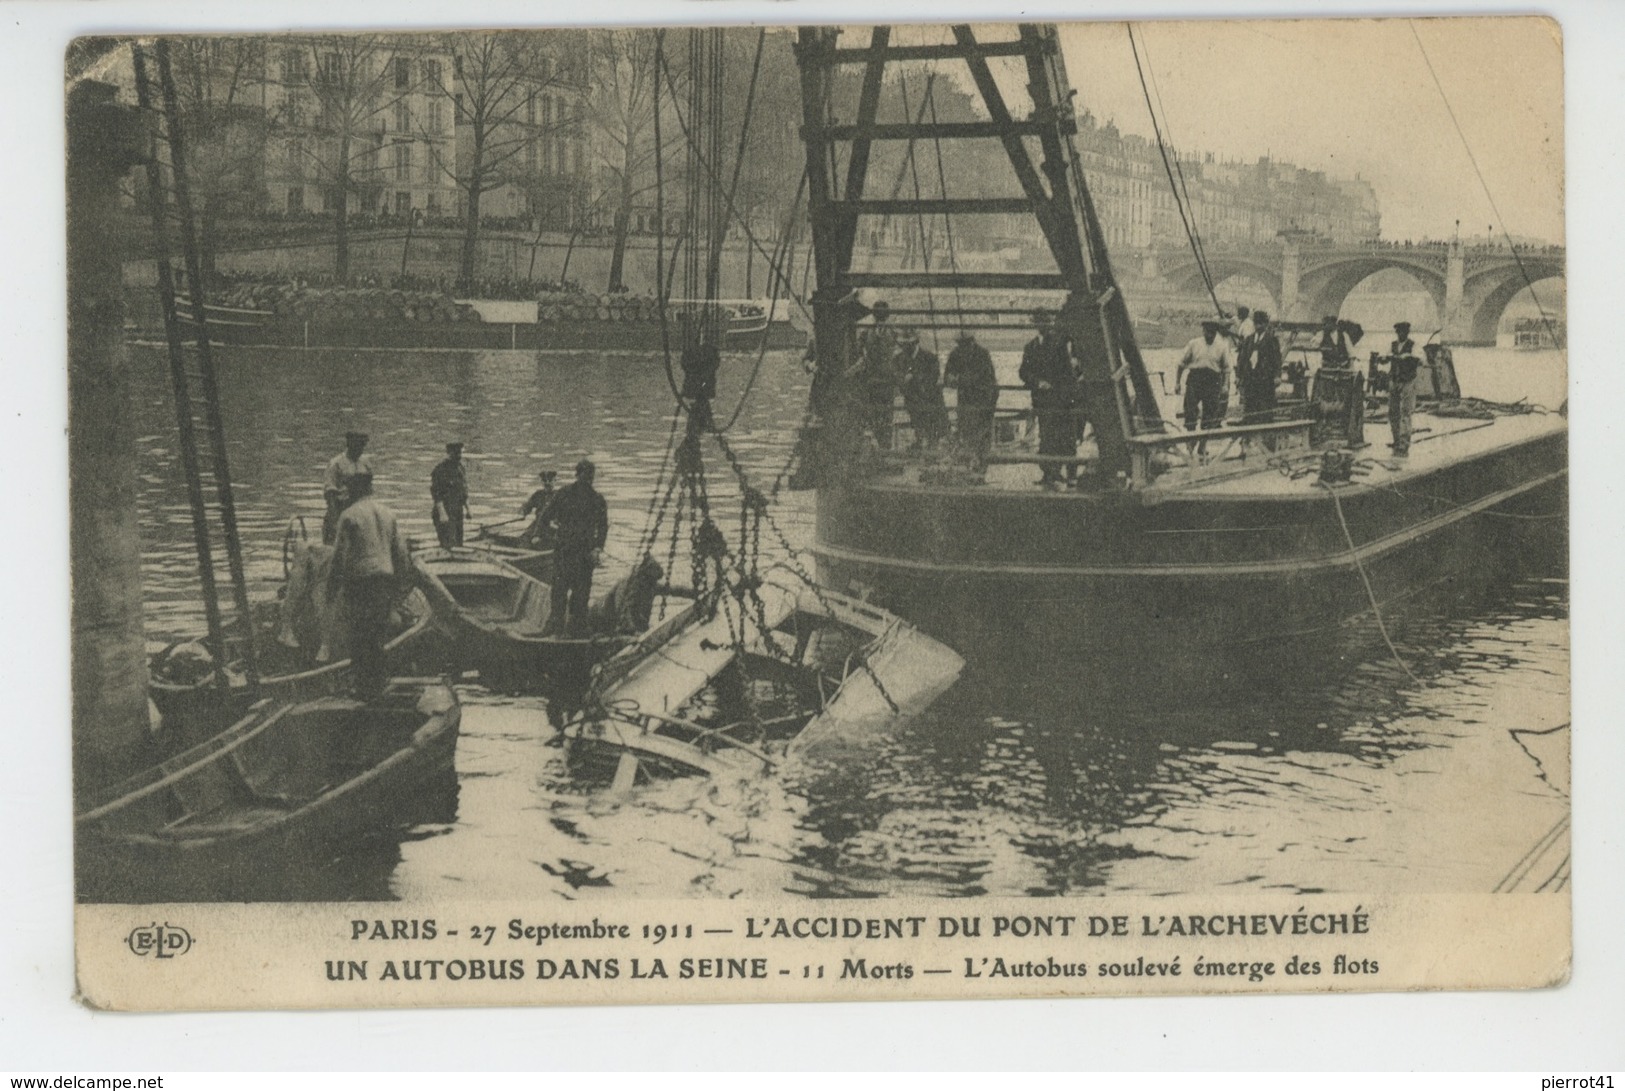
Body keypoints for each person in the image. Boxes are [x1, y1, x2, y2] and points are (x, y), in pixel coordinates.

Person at [327, 472, 410, 698]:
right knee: (377, 635)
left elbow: (339, 557)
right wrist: (400, 588)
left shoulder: (349, 515)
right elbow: (401, 554)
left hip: (361, 582)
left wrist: (331, 589)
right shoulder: (388, 513)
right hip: (385, 580)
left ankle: (364, 689)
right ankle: (379, 685)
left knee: (359, 636)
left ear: (353, 490)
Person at [537, 458, 609, 636]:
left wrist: (598, 548)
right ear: (578, 475)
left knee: (580, 594)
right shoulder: (567, 495)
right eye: (586, 475)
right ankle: (558, 628)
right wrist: (553, 532)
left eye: (590, 476)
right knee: (561, 592)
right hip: (567, 552)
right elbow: (544, 519)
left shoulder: (596, 499)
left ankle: (572, 629)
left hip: (581, 555)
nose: (588, 479)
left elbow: (603, 527)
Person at [1018, 310, 1079, 488]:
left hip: (1060, 400)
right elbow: (1023, 372)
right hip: (1043, 401)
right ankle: (1050, 473)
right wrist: (1037, 382)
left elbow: (1067, 373)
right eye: (1039, 322)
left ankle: (1069, 474)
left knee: (1066, 438)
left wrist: (1062, 391)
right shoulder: (1031, 347)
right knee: (1046, 437)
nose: (1042, 326)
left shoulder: (1058, 345)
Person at [1175, 320, 1235, 457]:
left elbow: (1226, 369)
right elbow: (1181, 364)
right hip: (1195, 379)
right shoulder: (1194, 344)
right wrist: (1177, 383)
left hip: (1213, 381)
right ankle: (1191, 442)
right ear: (1203, 331)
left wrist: (1225, 385)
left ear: (1216, 333)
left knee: (1210, 414)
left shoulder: (1222, 346)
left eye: (1213, 333)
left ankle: (1202, 445)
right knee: (1190, 410)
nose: (1210, 336)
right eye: (1208, 332)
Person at [944, 328, 998, 467]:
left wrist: (959, 379)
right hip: (965, 400)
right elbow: (947, 376)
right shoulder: (955, 354)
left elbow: (981, 378)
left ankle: (981, 466)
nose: (962, 347)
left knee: (981, 434)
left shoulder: (982, 354)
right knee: (966, 432)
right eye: (960, 344)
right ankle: (969, 464)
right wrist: (950, 378)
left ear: (972, 342)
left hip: (984, 399)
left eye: (965, 343)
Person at [850, 300, 900, 449]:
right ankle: (878, 445)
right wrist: (863, 361)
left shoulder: (893, 332)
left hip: (887, 380)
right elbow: (857, 349)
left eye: (882, 314)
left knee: (886, 414)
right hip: (871, 379)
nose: (880, 318)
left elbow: (901, 353)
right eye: (878, 314)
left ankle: (885, 446)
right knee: (873, 413)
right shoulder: (867, 332)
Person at [896, 330, 948, 450]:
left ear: (915, 343)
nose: (904, 348)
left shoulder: (930, 358)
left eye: (908, 345)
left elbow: (933, 377)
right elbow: (897, 378)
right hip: (912, 401)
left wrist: (915, 378)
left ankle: (931, 449)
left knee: (933, 433)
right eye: (902, 345)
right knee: (918, 428)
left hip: (930, 401)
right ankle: (920, 443)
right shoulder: (899, 359)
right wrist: (904, 380)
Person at [322, 431, 373, 544]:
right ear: (349, 443)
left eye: (363, 445)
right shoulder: (336, 464)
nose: (360, 449)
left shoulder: (365, 464)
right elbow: (330, 493)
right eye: (358, 445)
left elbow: (369, 492)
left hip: (361, 514)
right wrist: (335, 522)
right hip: (340, 510)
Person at [1387, 321, 1423, 457]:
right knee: (1393, 411)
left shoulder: (1414, 346)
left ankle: (1404, 442)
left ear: (1407, 333)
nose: (1400, 334)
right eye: (1398, 332)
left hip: (1407, 381)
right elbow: (1387, 358)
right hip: (1394, 380)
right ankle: (1396, 439)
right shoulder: (1392, 345)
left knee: (1406, 411)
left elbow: (1420, 359)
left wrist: (1408, 358)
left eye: (1402, 332)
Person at [1243, 310, 1282, 424]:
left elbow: (1277, 360)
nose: (1258, 326)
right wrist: (1240, 375)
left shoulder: (1271, 340)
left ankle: (1266, 430)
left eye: (1261, 324)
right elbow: (1243, 358)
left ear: (1266, 325)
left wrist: (1277, 375)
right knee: (1250, 404)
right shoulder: (1249, 340)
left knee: (1265, 406)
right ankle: (1248, 428)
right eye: (1256, 323)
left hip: (1265, 378)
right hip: (1251, 377)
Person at [430, 442, 471, 547]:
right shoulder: (440, 470)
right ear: (449, 453)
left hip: (457, 511)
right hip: (445, 511)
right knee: (448, 544)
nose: (459, 456)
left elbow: (464, 491)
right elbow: (436, 494)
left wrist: (468, 509)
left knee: (458, 543)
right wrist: (442, 514)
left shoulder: (460, 468)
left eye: (460, 453)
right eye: (456, 453)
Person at [518, 469, 558, 548]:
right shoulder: (538, 494)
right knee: (524, 539)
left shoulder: (559, 495)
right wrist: (523, 512)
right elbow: (527, 506)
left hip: (552, 525)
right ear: (541, 482)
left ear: (555, 481)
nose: (547, 483)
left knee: (545, 542)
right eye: (544, 480)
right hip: (537, 524)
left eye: (550, 480)